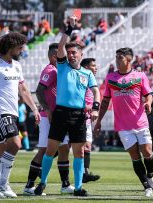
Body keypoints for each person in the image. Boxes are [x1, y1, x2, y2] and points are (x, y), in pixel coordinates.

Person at [34, 16, 100, 197]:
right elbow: (62, 43)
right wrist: (69, 29)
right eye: (68, 52)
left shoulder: (87, 73)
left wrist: (95, 108)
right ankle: (43, 183)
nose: (71, 55)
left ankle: (78, 188)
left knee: (78, 153)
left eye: (74, 53)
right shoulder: (62, 66)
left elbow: (96, 92)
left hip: (79, 115)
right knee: (50, 150)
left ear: (81, 55)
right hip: (61, 113)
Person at [0, 32, 41, 198]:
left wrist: (34, 109)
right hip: (0, 112)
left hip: (13, 112)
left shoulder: (16, 65)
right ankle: (3, 184)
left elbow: (23, 89)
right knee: (15, 143)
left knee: (2, 149)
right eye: (20, 47)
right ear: (11, 47)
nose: (22, 50)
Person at [94, 47, 153, 197]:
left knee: (147, 152)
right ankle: (146, 187)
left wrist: (148, 103)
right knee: (135, 156)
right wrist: (98, 122)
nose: (117, 60)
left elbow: (149, 95)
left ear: (129, 60)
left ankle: (150, 176)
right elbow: (105, 102)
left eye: (120, 58)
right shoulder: (110, 78)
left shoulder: (140, 76)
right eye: (116, 57)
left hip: (140, 122)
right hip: (123, 126)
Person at [23, 43, 75, 195]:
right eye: (61, 55)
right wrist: (46, 109)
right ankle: (29, 186)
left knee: (64, 148)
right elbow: (39, 90)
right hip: (49, 117)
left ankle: (65, 185)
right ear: (54, 56)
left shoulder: (59, 70)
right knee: (44, 150)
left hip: (60, 117)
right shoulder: (50, 70)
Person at [80, 58, 101, 183]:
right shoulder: (80, 79)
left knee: (87, 145)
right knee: (62, 147)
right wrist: (85, 107)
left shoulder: (91, 80)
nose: (96, 68)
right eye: (93, 66)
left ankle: (85, 173)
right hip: (77, 117)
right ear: (86, 68)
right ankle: (40, 166)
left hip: (87, 118)